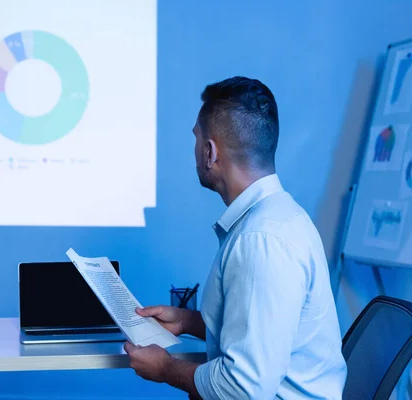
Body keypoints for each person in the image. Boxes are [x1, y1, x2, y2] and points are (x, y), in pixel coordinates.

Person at [124, 77, 347, 399]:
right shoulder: (279, 218)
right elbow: (270, 331)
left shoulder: (261, 239)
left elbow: (244, 388)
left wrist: (166, 370)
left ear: (210, 151)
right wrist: (189, 322)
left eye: (197, 139)